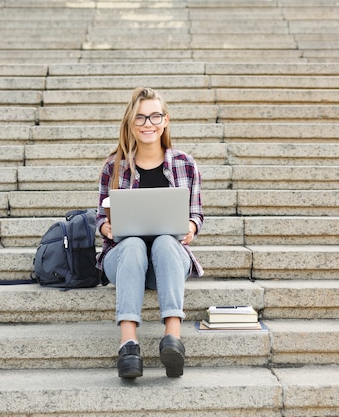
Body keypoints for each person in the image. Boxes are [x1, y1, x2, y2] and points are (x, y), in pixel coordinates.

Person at [96, 87, 204, 379]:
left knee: (166, 243)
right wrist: (106, 226)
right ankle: (128, 345)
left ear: (165, 120)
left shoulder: (185, 164)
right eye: (141, 118)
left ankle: (172, 339)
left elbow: (195, 215)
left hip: (166, 263)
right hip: (124, 261)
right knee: (131, 244)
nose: (148, 124)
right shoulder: (114, 166)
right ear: (131, 123)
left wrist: (191, 227)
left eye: (155, 116)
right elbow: (100, 217)